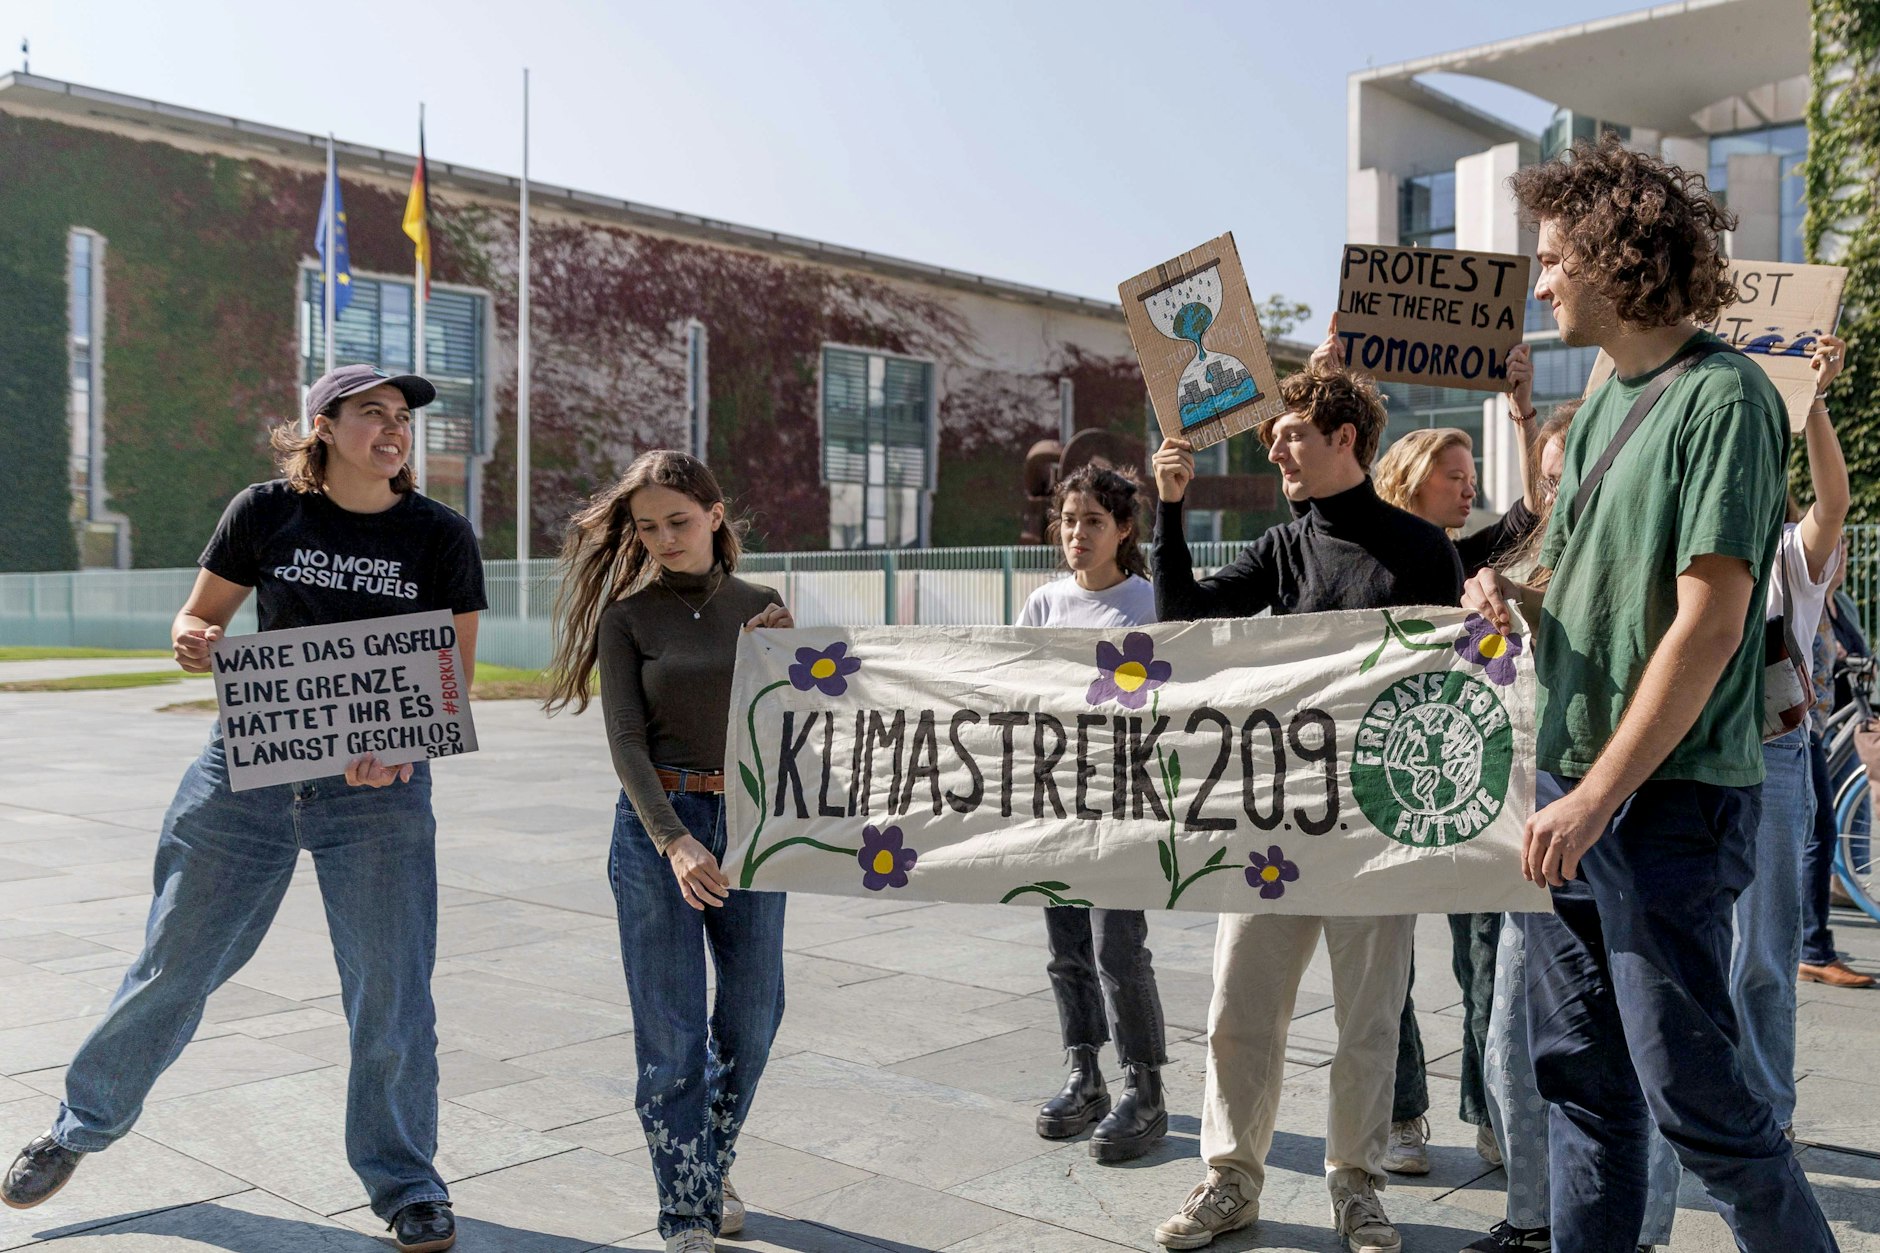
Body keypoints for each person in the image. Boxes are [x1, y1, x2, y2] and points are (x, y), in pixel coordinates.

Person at [0, 365, 485, 1253]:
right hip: (246, 769)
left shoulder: (440, 533)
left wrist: (409, 744)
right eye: (372, 413)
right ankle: (78, 1127)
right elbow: (199, 618)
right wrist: (191, 639)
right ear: (324, 426)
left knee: (391, 992)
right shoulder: (265, 511)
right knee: (171, 962)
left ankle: (408, 1183)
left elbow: (450, 678)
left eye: (402, 418)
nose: (394, 428)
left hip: (378, 792)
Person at [1465, 136, 1839, 1252]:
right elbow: (1571, 570)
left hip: (1662, 804)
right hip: (1574, 788)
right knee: (1580, 1085)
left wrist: (1592, 801)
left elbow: (1711, 621)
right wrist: (1508, 588)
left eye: (1548, 261)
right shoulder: (1603, 401)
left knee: (1701, 1106)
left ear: (1613, 260)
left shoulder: (1722, 397)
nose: (1537, 285)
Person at [1149, 366, 1463, 1253]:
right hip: (1272, 827)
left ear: (1344, 438)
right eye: (1276, 436)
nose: (1277, 446)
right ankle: (1230, 1178)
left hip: (1375, 831)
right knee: (1238, 1007)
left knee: (1368, 1019)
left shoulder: (1421, 550)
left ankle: (1355, 1185)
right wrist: (1170, 508)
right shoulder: (1279, 550)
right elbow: (1182, 619)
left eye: (1292, 433)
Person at [543, 450, 794, 1253]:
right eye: (647, 527)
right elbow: (625, 740)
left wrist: (790, 662)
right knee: (672, 1036)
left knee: (753, 1019)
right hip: (659, 828)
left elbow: (804, 722)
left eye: (677, 521)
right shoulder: (629, 617)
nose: (662, 538)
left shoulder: (764, 606)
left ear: (716, 514)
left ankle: (705, 1163)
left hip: (754, 823)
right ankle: (686, 1212)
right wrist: (674, 839)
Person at [1465, 400, 1682, 1253]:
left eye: (1572, 477)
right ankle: (1535, 1219)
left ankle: (1641, 1232)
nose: (1560, 494)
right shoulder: (1521, 563)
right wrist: (1492, 588)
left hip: (1626, 835)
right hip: (1532, 841)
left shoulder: (1638, 566)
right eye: (1548, 479)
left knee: (1647, 1062)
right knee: (1520, 1047)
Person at [1018, 463, 1171, 1162]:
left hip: (1126, 800)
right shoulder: (1043, 604)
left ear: (1125, 530)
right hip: (1057, 799)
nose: (1077, 533)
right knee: (1066, 949)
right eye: (1069, 520)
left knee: (1117, 946)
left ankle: (1146, 1088)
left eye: (1093, 522)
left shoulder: (1148, 602)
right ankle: (1085, 1073)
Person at [1728, 333, 1851, 1139]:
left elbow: (1833, 505)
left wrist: (1813, 405)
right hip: (1682, 753)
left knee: (1763, 956)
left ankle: (1767, 1116)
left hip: (1768, 755)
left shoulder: (1785, 556)